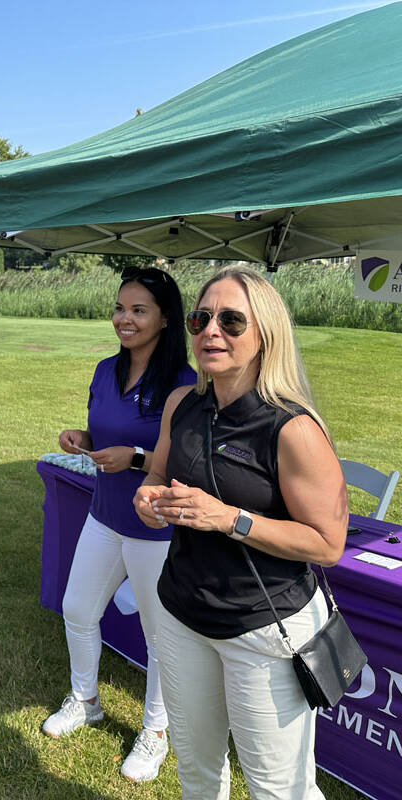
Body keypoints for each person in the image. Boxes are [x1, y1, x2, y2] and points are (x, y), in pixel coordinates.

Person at [134, 267, 347, 799]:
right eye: (201, 318)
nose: (211, 331)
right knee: (198, 773)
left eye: (231, 321)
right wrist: (148, 499)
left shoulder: (292, 428)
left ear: (265, 336)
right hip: (183, 614)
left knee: (279, 790)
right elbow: (158, 475)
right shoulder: (183, 404)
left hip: (262, 630)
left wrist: (230, 517)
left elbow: (328, 543)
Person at [42, 266, 196, 783]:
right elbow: (103, 431)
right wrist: (81, 437)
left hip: (157, 528)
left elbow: (190, 464)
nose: (123, 319)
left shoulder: (184, 383)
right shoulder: (106, 368)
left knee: (160, 636)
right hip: (104, 516)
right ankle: (85, 699)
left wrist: (133, 458)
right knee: (77, 609)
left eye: (138, 310)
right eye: (119, 308)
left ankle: (155, 731)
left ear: (165, 318)